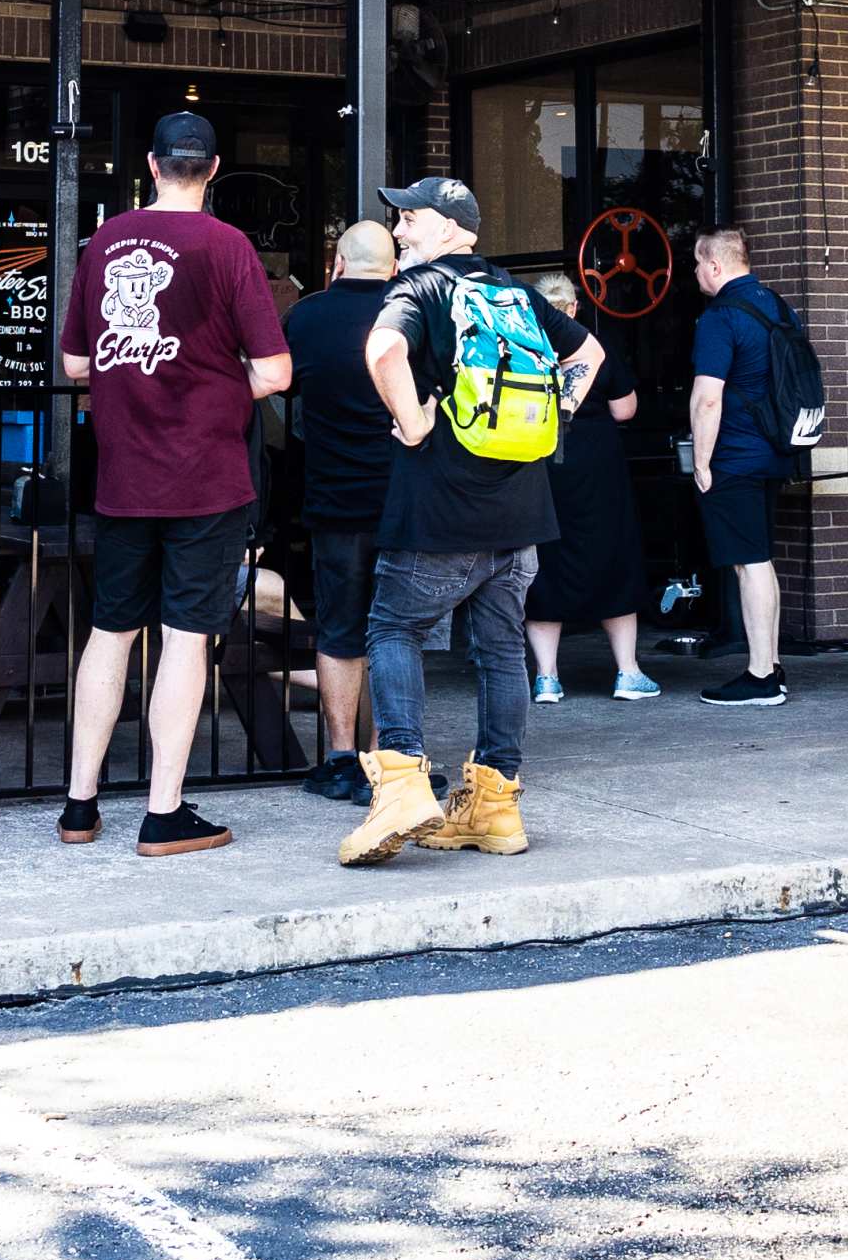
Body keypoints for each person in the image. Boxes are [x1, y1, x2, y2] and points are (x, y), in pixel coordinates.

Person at [342, 177, 602, 866]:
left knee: (394, 628)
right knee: (499, 651)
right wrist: (557, 418)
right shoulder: (514, 293)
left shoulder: (420, 290)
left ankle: (400, 785)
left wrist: (416, 424)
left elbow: (382, 352)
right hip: (520, 516)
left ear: (452, 226)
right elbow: (589, 355)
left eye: (410, 218)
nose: (398, 230)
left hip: (438, 512)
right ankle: (495, 808)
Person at [53, 111, 292, 857]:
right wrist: (216, 388)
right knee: (186, 641)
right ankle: (162, 813)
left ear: (152, 166)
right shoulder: (229, 247)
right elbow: (276, 371)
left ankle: (79, 806)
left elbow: (75, 366)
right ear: (213, 169)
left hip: (124, 476)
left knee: (110, 633)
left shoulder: (104, 243)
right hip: (208, 479)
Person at [276, 219, 399, 804]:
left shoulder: (307, 317)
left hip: (334, 496)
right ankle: (391, 758)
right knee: (400, 630)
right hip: (407, 500)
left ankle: (342, 756)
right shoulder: (413, 308)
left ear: (338, 264)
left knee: (339, 627)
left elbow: (281, 387)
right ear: (394, 266)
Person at [524, 269, 657, 704]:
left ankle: (546, 678)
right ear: (574, 308)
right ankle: (629, 673)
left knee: (545, 562)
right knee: (613, 558)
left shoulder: (524, 350)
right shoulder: (596, 348)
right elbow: (625, 410)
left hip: (542, 465)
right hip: (598, 467)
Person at [689, 226, 797, 707]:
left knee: (749, 563)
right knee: (760, 559)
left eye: (696, 263)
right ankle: (770, 663)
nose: (694, 272)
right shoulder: (777, 307)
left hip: (734, 455)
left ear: (714, 265)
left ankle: (760, 676)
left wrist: (702, 461)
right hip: (774, 449)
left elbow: (707, 399)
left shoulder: (720, 317)